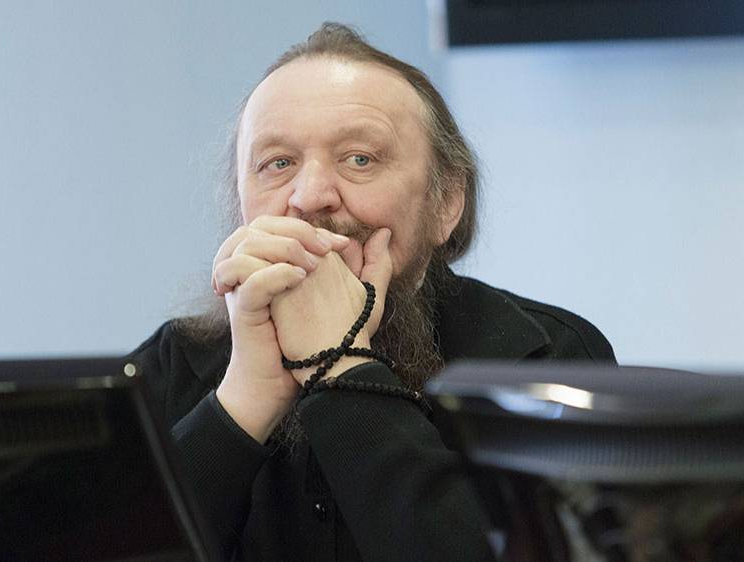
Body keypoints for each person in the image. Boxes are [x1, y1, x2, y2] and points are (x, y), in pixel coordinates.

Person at [130, 22, 615, 562]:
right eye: (278, 164)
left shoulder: (547, 361)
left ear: (446, 204)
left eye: (359, 159)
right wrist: (245, 398)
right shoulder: (171, 366)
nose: (310, 197)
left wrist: (339, 365)